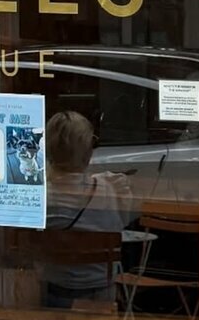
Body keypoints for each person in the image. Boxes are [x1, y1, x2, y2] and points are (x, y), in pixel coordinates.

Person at [42, 110, 136, 308]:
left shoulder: (41, 197)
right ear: (88, 151)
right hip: (100, 294)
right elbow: (121, 225)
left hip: (49, 293)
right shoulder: (108, 190)